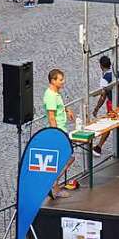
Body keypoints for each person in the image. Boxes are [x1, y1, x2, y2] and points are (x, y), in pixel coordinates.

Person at [43, 69, 78, 198]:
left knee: (64, 160)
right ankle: (52, 183)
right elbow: (51, 117)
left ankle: (55, 187)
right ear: (53, 81)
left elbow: (60, 107)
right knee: (69, 158)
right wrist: (56, 135)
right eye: (60, 80)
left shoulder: (56, 93)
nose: (63, 82)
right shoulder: (51, 96)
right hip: (59, 132)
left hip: (62, 131)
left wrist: (67, 110)